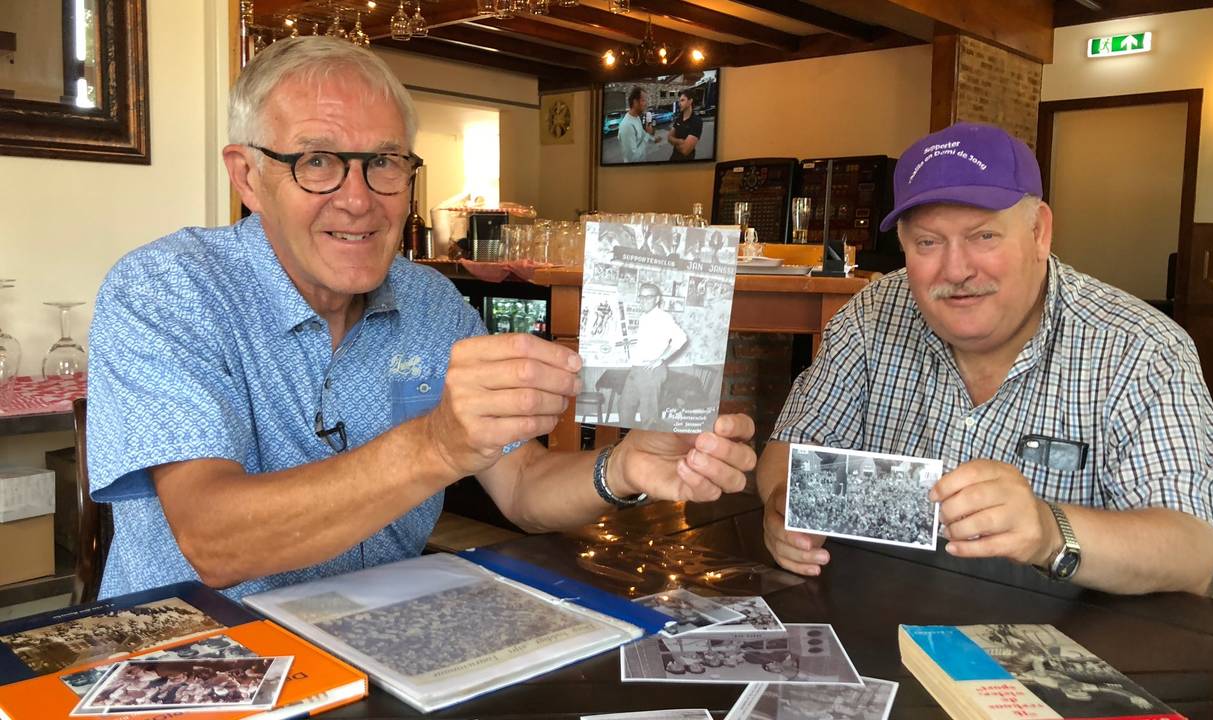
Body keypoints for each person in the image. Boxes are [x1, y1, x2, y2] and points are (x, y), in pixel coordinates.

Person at [86, 37, 756, 601]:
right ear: (247, 176)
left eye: (383, 162)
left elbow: (521, 484)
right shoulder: (167, 290)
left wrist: (624, 467)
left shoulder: (431, 304)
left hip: (381, 648)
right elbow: (213, 540)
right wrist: (435, 445)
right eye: (317, 161)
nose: (359, 201)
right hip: (192, 660)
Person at [757, 121, 1213, 595]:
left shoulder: (1140, 349)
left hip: (1065, 641)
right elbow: (790, 449)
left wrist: (1050, 532)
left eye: (983, 236)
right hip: (882, 619)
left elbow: (1192, 549)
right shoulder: (871, 316)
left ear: (1039, 232)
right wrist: (783, 508)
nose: (957, 270)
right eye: (928, 242)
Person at [618, 283, 688, 429]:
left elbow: (681, 338)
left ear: (657, 299)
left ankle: (647, 448)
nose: (643, 300)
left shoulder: (663, 317)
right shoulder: (644, 317)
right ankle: (626, 443)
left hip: (651, 372)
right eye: (641, 296)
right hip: (637, 370)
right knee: (625, 408)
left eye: (648, 297)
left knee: (648, 417)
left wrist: (660, 359)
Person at [617, 86, 657, 163]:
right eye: (644, 100)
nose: (646, 104)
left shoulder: (637, 118)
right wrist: (648, 134)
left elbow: (641, 134)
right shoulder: (627, 126)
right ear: (635, 102)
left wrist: (653, 139)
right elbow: (633, 158)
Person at [666, 88, 702, 162]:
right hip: (673, 159)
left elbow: (685, 150)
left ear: (690, 101)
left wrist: (674, 141)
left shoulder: (696, 121)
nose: (679, 103)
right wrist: (680, 141)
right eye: (679, 101)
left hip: (686, 164)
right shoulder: (679, 118)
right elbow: (669, 137)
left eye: (682, 100)